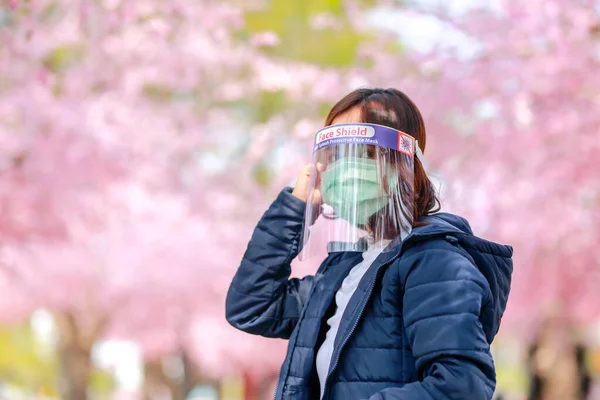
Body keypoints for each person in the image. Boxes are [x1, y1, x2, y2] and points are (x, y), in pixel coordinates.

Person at [226, 88, 514, 400]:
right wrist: (296, 207)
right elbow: (252, 306)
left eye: (362, 153)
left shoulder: (434, 262)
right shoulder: (345, 270)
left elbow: (461, 386)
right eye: (336, 155)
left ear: (402, 164)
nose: (344, 168)